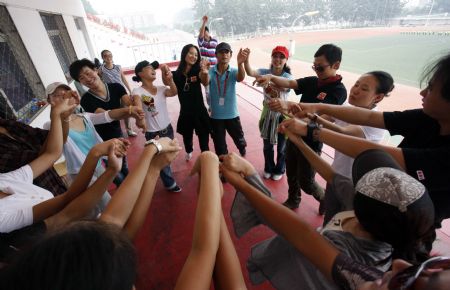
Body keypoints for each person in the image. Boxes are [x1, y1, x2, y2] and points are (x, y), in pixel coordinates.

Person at [220, 147, 435, 290]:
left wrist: (247, 176)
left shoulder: (346, 254)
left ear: (360, 205)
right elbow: (331, 175)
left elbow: (294, 231)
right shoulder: (383, 221)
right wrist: (299, 140)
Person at [285, 52, 450, 226]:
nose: (423, 93)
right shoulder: (428, 118)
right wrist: (311, 110)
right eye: (356, 85)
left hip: (404, 224)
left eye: (431, 88)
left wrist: (310, 129)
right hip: (358, 187)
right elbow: (365, 117)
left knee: (344, 229)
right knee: (331, 224)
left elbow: (374, 152)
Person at [1, 135, 182, 289]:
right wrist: (151, 151)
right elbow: (108, 222)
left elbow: (71, 212)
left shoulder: (6, 181)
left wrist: (143, 168)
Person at [256, 44, 347, 210]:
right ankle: (293, 199)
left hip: (312, 140)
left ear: (336, 65)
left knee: (307, 182)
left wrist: (289, 111)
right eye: (315, 66)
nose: (316, 70)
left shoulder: (338, 91)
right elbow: (290, 83)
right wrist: (270, 77)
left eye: (320, 67)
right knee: (291, 172)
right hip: (294, 134)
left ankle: (324, 199)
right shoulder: (313, 81)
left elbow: (322, 118)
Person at [43, 82, 145, 216]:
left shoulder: (84, 116)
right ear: (49, 102)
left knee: (95, 203)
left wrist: (130, 111)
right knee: (107, 203)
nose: (63, 98)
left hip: (97, 165)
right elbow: (62, 137)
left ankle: (96, 219)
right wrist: (62, 114)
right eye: (56, 95)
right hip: (80, 172)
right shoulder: (49, 126)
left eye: (65, 94)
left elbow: (108, 115)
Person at [310, 71, 393, 223]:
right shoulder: (346, 107)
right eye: (356, 84)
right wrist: (296, 114)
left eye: (364, 88)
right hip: (335, 173)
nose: (355, 90)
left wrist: (313, 115)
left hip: (357, 183)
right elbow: (322, 120)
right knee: (330, 214)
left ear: (378, 97)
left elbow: (343, 132)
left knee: (344, 222)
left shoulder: (376, 123)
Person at [69, 59, 146, 187]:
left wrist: (137, 106)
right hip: (101, 141)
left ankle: (130, 188)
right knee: (114, 173)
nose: (87, 79)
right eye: (82, 78)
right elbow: (107, 115)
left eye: (88, 73)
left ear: (96, 70)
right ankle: (125, 192)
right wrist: (132, 111)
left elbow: (129, 104)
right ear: (80, 82)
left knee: (124, 165)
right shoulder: (86, 100)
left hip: (117, 134)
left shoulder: (116, 87)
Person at [242, 45, 293, 181]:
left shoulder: (287, 76)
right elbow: (251, 72)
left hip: (282, 115)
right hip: (268, 114)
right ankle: (268, 167)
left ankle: (280, 169)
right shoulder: (265, 71)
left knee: (281, 147)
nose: (278, 59)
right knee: (267, 146)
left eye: (281, 57)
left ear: (286, 60)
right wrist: (246, 60)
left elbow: (285, 85)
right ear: (271, 58)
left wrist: (267, 80)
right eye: (275, 56)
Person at [131, 60, 182, 193]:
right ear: (140, 73)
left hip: (168, 129)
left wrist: (170, 80)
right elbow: (137, 107)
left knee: (169, 156)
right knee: (162, 159)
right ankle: (169, 184)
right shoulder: (137, 91)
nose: (153, 70)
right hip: (154, 133)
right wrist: (140, 120)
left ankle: (165, 174)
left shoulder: (161, 89)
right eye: (149, 68)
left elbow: (174, 92)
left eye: (154, 68)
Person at [0, 118, 67, 196]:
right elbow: (43, 157)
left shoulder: (8, 124)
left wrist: (65, 117)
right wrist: (57, 116)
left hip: (58, 188)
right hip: (42, 201)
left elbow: (59, 138)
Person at [172, 44, 211, 161]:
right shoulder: (176, 74)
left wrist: (205, 72)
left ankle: (206, 157)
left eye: (196, 54)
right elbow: (170, 86)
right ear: (184, 54)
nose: (193, 56)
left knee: (204, 137)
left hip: (199, 110)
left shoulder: (198, 70)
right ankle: (189, 150)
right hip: (185, 112)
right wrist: (167, 77)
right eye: (191, 53)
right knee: (187, 137)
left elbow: (205, 82)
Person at [208, 42, 247, 157]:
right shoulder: (210, 71)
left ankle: (242, 149)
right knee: (220, 146)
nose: (224, 55)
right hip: (216, 116)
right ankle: (223, 167)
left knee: (239, 140)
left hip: (232, 115)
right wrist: (204, 72)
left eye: (227, 52)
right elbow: (205, 81)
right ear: (216, 55)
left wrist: (240, 64)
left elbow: (240, 77)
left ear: (230, 55)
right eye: (221, 52)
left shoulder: (234, 71)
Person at [99, 49, 137, 137]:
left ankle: (129, 130)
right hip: (110, 93)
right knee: (113, 112)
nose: (108, 57)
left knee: (127, 111)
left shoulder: (118, 67)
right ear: (102, 58)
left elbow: (123, 79)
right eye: (105, 56)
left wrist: (129, 90)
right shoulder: (101, 69)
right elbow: (99, 80)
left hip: (121, 92)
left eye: (110, 55)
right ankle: (117, 132)